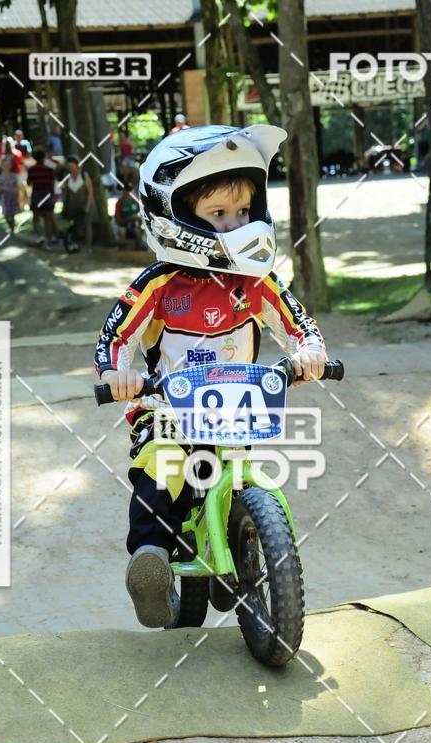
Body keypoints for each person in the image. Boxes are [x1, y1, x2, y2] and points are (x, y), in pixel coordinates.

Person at [93, 125, 327, 629]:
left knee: (238, 474)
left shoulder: (255, 279)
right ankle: (151, 558)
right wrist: (117, 374)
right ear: (173, 214)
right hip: (166, 409)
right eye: (218, 213)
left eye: (243, 211)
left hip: (234, 409)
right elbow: (115, 338)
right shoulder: (157, 284)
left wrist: (310, 351)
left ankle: (237, 557)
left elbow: (296, 321)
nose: (236, 222)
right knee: (165, 469)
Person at [27, 147, 60, 248]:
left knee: (36, 218)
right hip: (47, 195)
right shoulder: (49, 170)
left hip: (36, 195)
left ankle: (40, 237)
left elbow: (29, 183)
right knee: (48, 219)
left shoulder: (31, 170)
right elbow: (52, 184)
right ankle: (48, 241)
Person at [62, 155, 95, 252]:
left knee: (87, 224)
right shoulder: (67, 177)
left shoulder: (84, 175)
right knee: (76, 225)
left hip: (85, 204)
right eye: (69, 167)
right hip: (73, 205)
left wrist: (88, 207)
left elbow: (90, 192)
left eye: (72, 167)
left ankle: (88, 246)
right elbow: (65, 192)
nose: (71, 169)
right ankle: (76, 243)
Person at [114, 182, 143, 248]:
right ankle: (123, 251)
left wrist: (138, 220)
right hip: (123, 226)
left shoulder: (135, 201)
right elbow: (118, 220)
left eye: (129, 190)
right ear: (123, 190)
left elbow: (142, 215)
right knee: (122, 232)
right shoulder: (119, 203)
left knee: (138, 232)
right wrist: (131, 218)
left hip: (135, 225)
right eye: (126, 190)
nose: (127, 192)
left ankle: (139, 250)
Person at [0, 157, 19, 233]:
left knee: (12, 214)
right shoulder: (1, 177)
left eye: (8, 165)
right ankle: (10, 225)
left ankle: (12, 229)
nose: (6, 166)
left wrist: (16, 192)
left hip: (12, 197)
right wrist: (3, 188)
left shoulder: (13, 176)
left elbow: (16, 186)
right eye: (5, 165)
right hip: (5, 198)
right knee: (6, 214)